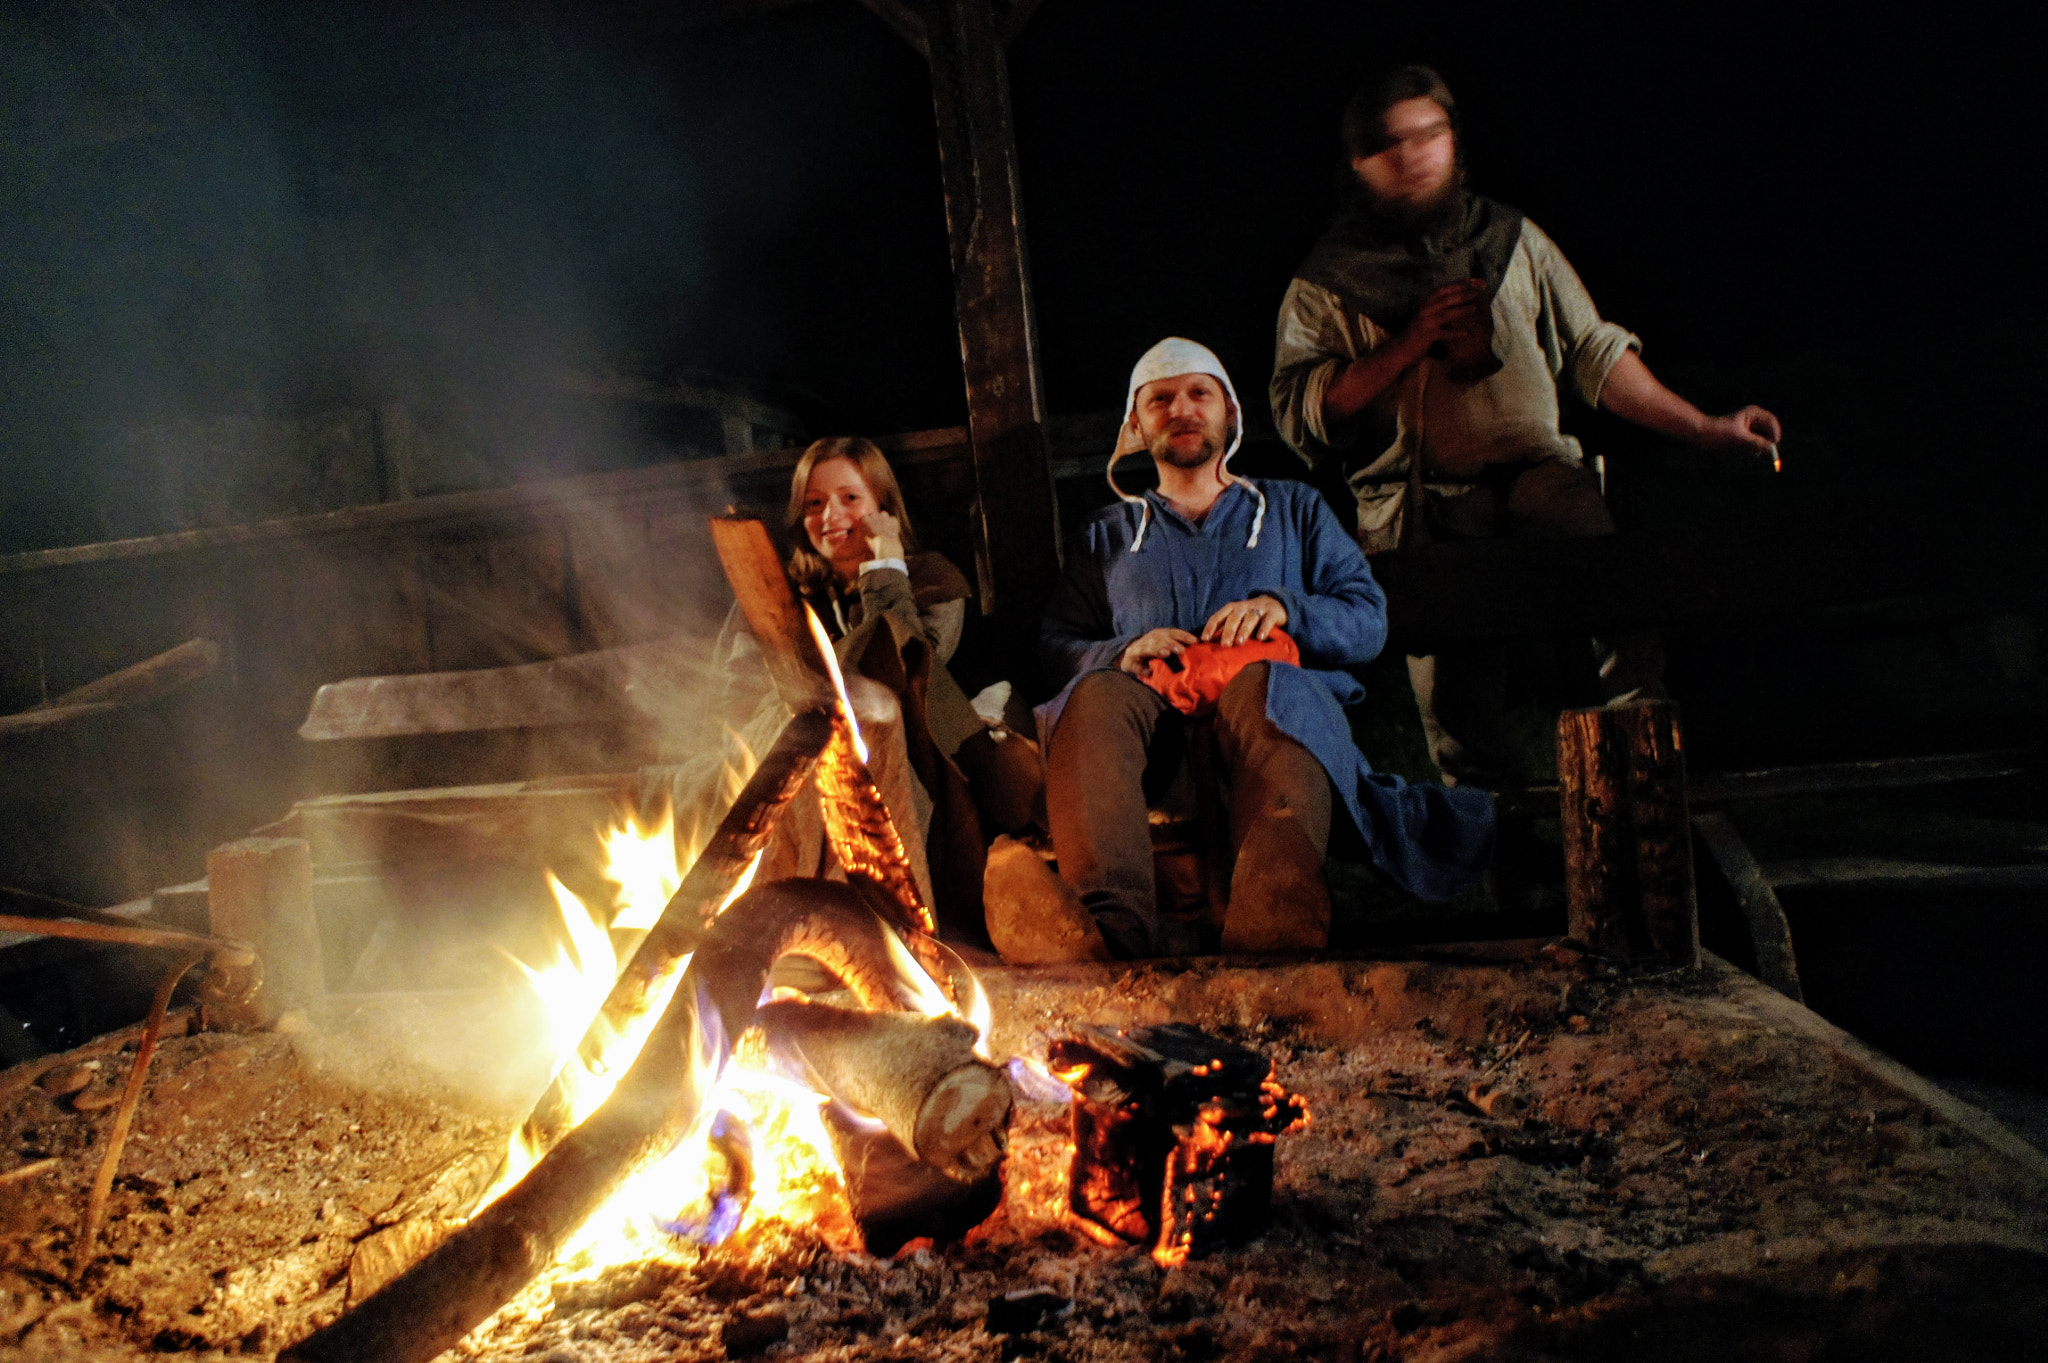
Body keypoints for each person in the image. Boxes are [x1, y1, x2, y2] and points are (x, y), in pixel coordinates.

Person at [1270, 65, 1783, 789]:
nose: (1416, 156)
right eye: (1392, 144)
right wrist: (1410, 341)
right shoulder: (1328, 281)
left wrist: (1706, 426)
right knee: (1462, 718)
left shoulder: (1510, 239)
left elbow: (1594, 351)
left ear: (1455, 142)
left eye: (1431, 135)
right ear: (1359, 164)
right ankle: (1509, 867)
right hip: (1424, 510)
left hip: (1542, 480)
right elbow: (1303, 410)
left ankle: (1656, 804)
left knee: (1625, 628)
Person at [1003, 337, 1495, 963]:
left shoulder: (1294, 509)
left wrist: (1287, 608)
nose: (1181, 409)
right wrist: (1123, 651)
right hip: (1157, 760)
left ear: (1229, 412)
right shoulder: (1108, 535)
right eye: (1160, 400)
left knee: (1271, 684)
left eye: (1198, 394)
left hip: (1272, 742)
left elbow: (1366, 620)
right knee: (1096, 694)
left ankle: (1276, 913)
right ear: (1135, 424)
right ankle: (1110, 932)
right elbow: (1058, 644)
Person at [703, 437, 990, 931]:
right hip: (790, 752)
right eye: (814, 504)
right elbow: (737, 689)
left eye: (849, 498)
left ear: (882, 504)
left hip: (909, 753)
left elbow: (911, 661)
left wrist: (884, 566)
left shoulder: (932, 579)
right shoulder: (780, 590)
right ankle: (778, 919)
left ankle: (871, 919)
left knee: (870, 693)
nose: (830, 515)